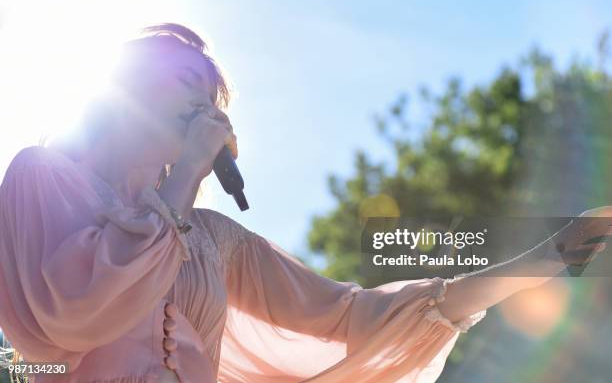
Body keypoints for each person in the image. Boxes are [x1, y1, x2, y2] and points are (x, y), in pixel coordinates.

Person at [0, 23, 610, 383]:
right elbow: (69, 316)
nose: (207, 106)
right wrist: (185, 174)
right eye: (190, 83)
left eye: (216, 98)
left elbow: (356, 316)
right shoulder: (43, 178)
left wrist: (554, 254)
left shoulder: (216, 242)